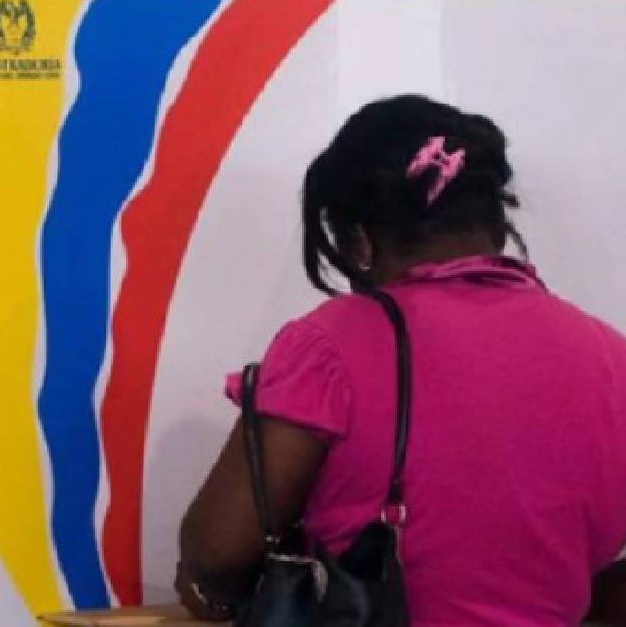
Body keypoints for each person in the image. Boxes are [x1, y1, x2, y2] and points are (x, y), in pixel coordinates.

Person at [177, 95, 626, 625]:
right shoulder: (610, 357)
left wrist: (211, 593)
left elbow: (218, 557)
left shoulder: (327, 347)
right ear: (498, 225)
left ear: (359, 243)